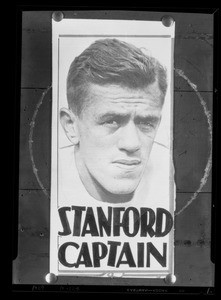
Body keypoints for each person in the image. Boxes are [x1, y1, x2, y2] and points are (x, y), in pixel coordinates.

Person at [59, 38, 170, 206]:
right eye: (111, 121)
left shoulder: (173, 172)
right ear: (71, 126)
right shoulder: (44, 179)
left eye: (146, 123)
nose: (132, 144)